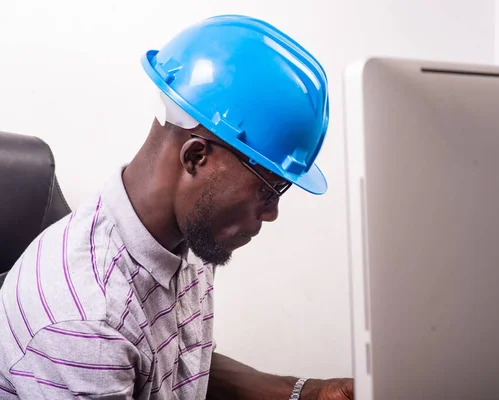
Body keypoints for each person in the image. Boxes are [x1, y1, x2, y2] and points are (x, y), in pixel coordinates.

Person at [0, 14, 353, 400]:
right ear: (196, 157)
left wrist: (307, 393)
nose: (271, 213)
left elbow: (174, 360)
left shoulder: (186, 234)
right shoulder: (87, 320)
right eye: (268, 189)